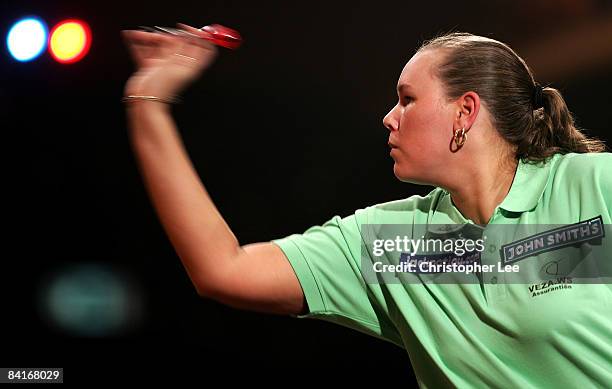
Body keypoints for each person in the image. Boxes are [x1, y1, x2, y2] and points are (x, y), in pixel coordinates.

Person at [121, 26, 612, 387]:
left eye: (407, 99)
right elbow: (221, 269)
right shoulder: (392, 243)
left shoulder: (590, 185)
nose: (388, 117)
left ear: (466, 111)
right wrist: (147, 102)